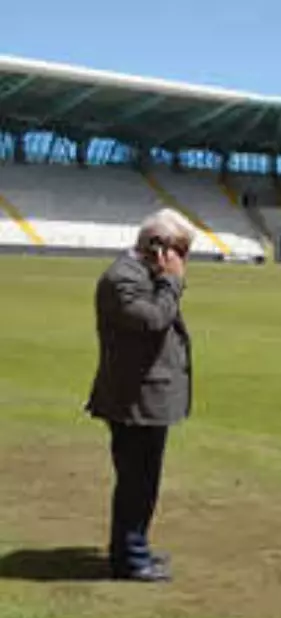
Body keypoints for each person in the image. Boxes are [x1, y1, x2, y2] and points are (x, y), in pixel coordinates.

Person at [85, 208, 198, 582]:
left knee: (145, 480)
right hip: (133, 399)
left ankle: (136, 547)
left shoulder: (140, 274)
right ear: (158, 247)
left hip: (146, 396)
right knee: (136, 481)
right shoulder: (123, 279)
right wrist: (171, 283)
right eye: (181, 251)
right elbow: (152, 321)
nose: (185, 261)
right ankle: (130, 560)